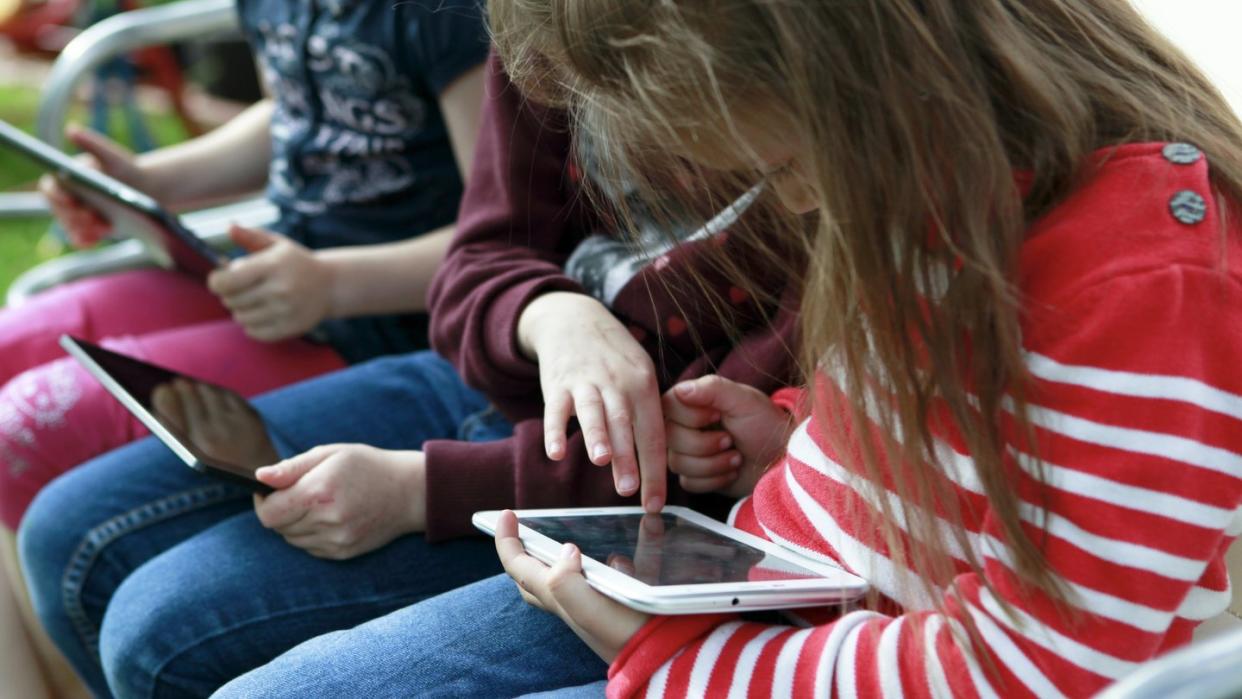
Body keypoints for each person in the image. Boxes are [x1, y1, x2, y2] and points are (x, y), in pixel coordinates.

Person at [209, 0, 1242, 697]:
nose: (786, 202)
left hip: (780, 658)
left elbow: (1028, 666)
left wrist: (674, 662)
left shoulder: (1144, 286)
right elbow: (949, 443)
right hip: (771, 603)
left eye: (784, 165)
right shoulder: (956, 185)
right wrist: (788, 438)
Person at [17, 51, 803, 697]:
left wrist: (423, 488)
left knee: (160, 628)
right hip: (485, 381)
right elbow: (480, 253)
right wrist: (551, 312)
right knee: (67, 533)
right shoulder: (548, 31)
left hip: (610, 501)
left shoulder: (821, 158)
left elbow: (700, 467)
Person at [0, 0, 489, 532]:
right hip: (269, 277)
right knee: (11, 345)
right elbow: (296, 115)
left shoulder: (449, 13)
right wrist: (149, 182)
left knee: (24, 427)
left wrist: (331, 286)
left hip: (391, 327)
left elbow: (507, 236)